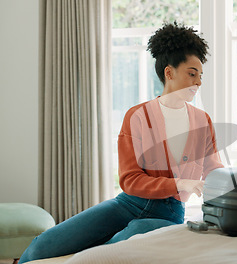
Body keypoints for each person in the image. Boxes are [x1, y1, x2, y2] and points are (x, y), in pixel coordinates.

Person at [19, 22, 223, 263]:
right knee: (40, 248)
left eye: (200, 75)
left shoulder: (202, 121)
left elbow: (214, 170)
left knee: (103, 254)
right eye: (192, 73)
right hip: (128, 204)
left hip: (168, 214)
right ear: (169, 73)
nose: (198, 82)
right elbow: (130, 179)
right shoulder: (137, 116)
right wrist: (181, 182)